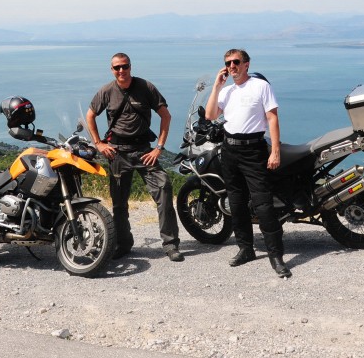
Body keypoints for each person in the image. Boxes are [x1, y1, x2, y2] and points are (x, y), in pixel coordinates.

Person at [85, 53, 183, 262]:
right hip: (117, 152)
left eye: (125, 66)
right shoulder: (107, 91)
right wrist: (99, 144)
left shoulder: (146, 87)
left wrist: (159, 148)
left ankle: (170, 244)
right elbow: (90, 115)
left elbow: (166, 116)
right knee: (119, 203)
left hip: (144, 151)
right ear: (112, 69)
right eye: (117, 68)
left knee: (164, 188)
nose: (121, 71)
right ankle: (123, 243)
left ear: (130, 66)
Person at [204, 48, 290, 278]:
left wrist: (276, 151)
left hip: (254, 150)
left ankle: (276, 256)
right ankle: (245, 249)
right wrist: (216, 86)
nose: (232, 66)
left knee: (263, 204)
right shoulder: (227, 91)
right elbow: (210, 115)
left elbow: (272, 118)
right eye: (228, 63)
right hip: (230, 150)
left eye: (236, 62)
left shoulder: (260, 86)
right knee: (237, 202)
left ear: (246, 64)